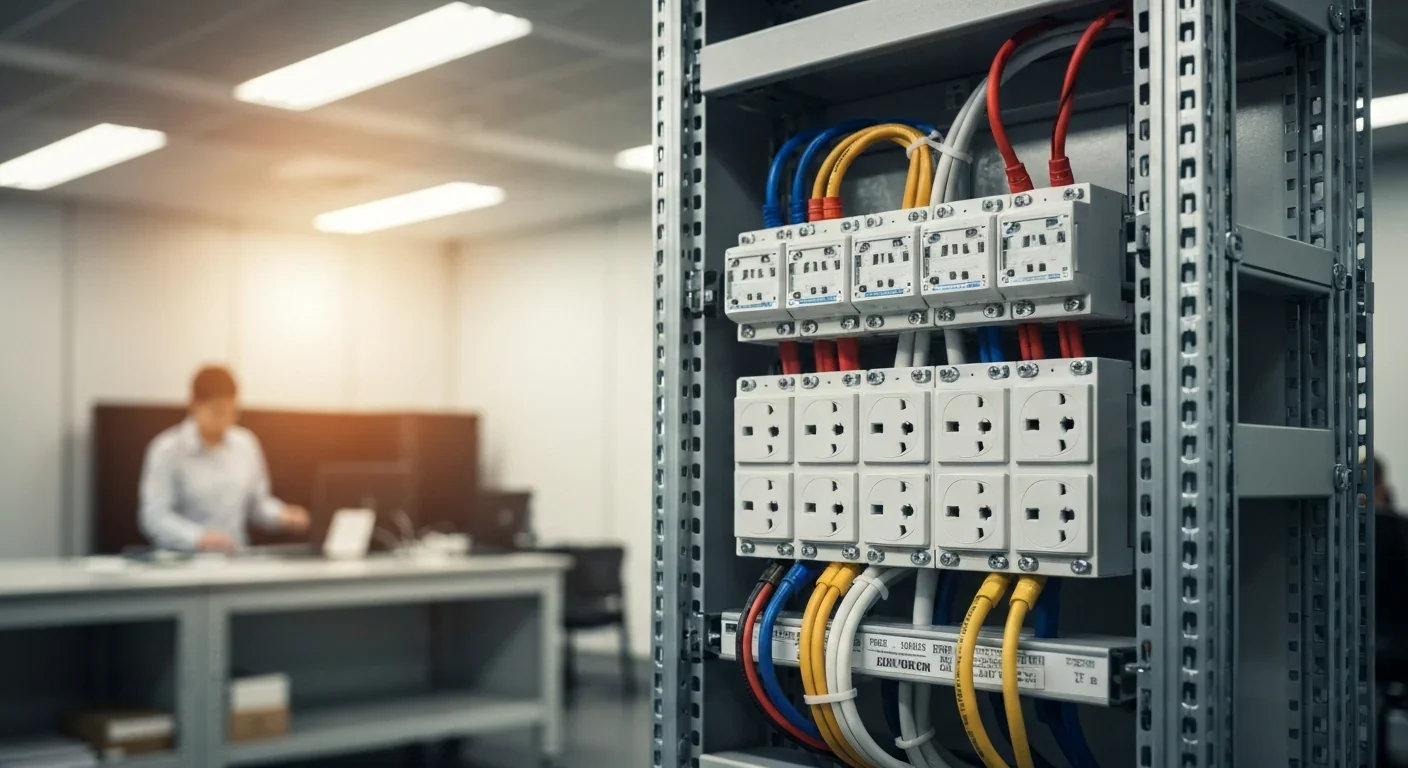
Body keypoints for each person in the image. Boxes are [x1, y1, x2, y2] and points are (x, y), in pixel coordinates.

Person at [138, 366, 310, 552]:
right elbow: (154, 517)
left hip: (235, 557)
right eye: (217, 411)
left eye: (232, 411)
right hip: (185, 561)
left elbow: (257, 505)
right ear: (194, 404)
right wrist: (199, 537)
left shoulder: (246, 444)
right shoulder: (167, 449)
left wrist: (282, 515)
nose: (225, 420)